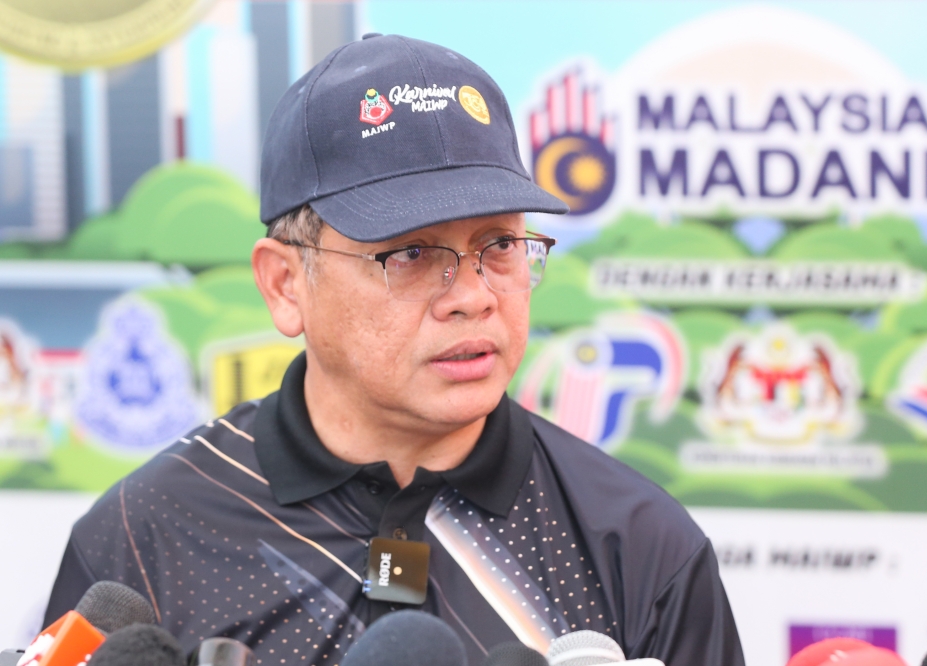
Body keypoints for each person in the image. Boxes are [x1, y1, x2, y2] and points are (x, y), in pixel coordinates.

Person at [44, 34, 744, 666]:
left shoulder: (642, 547)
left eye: (498, 245)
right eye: (411, 252)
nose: (472, 295)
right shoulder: (142, 535)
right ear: (286, 284)